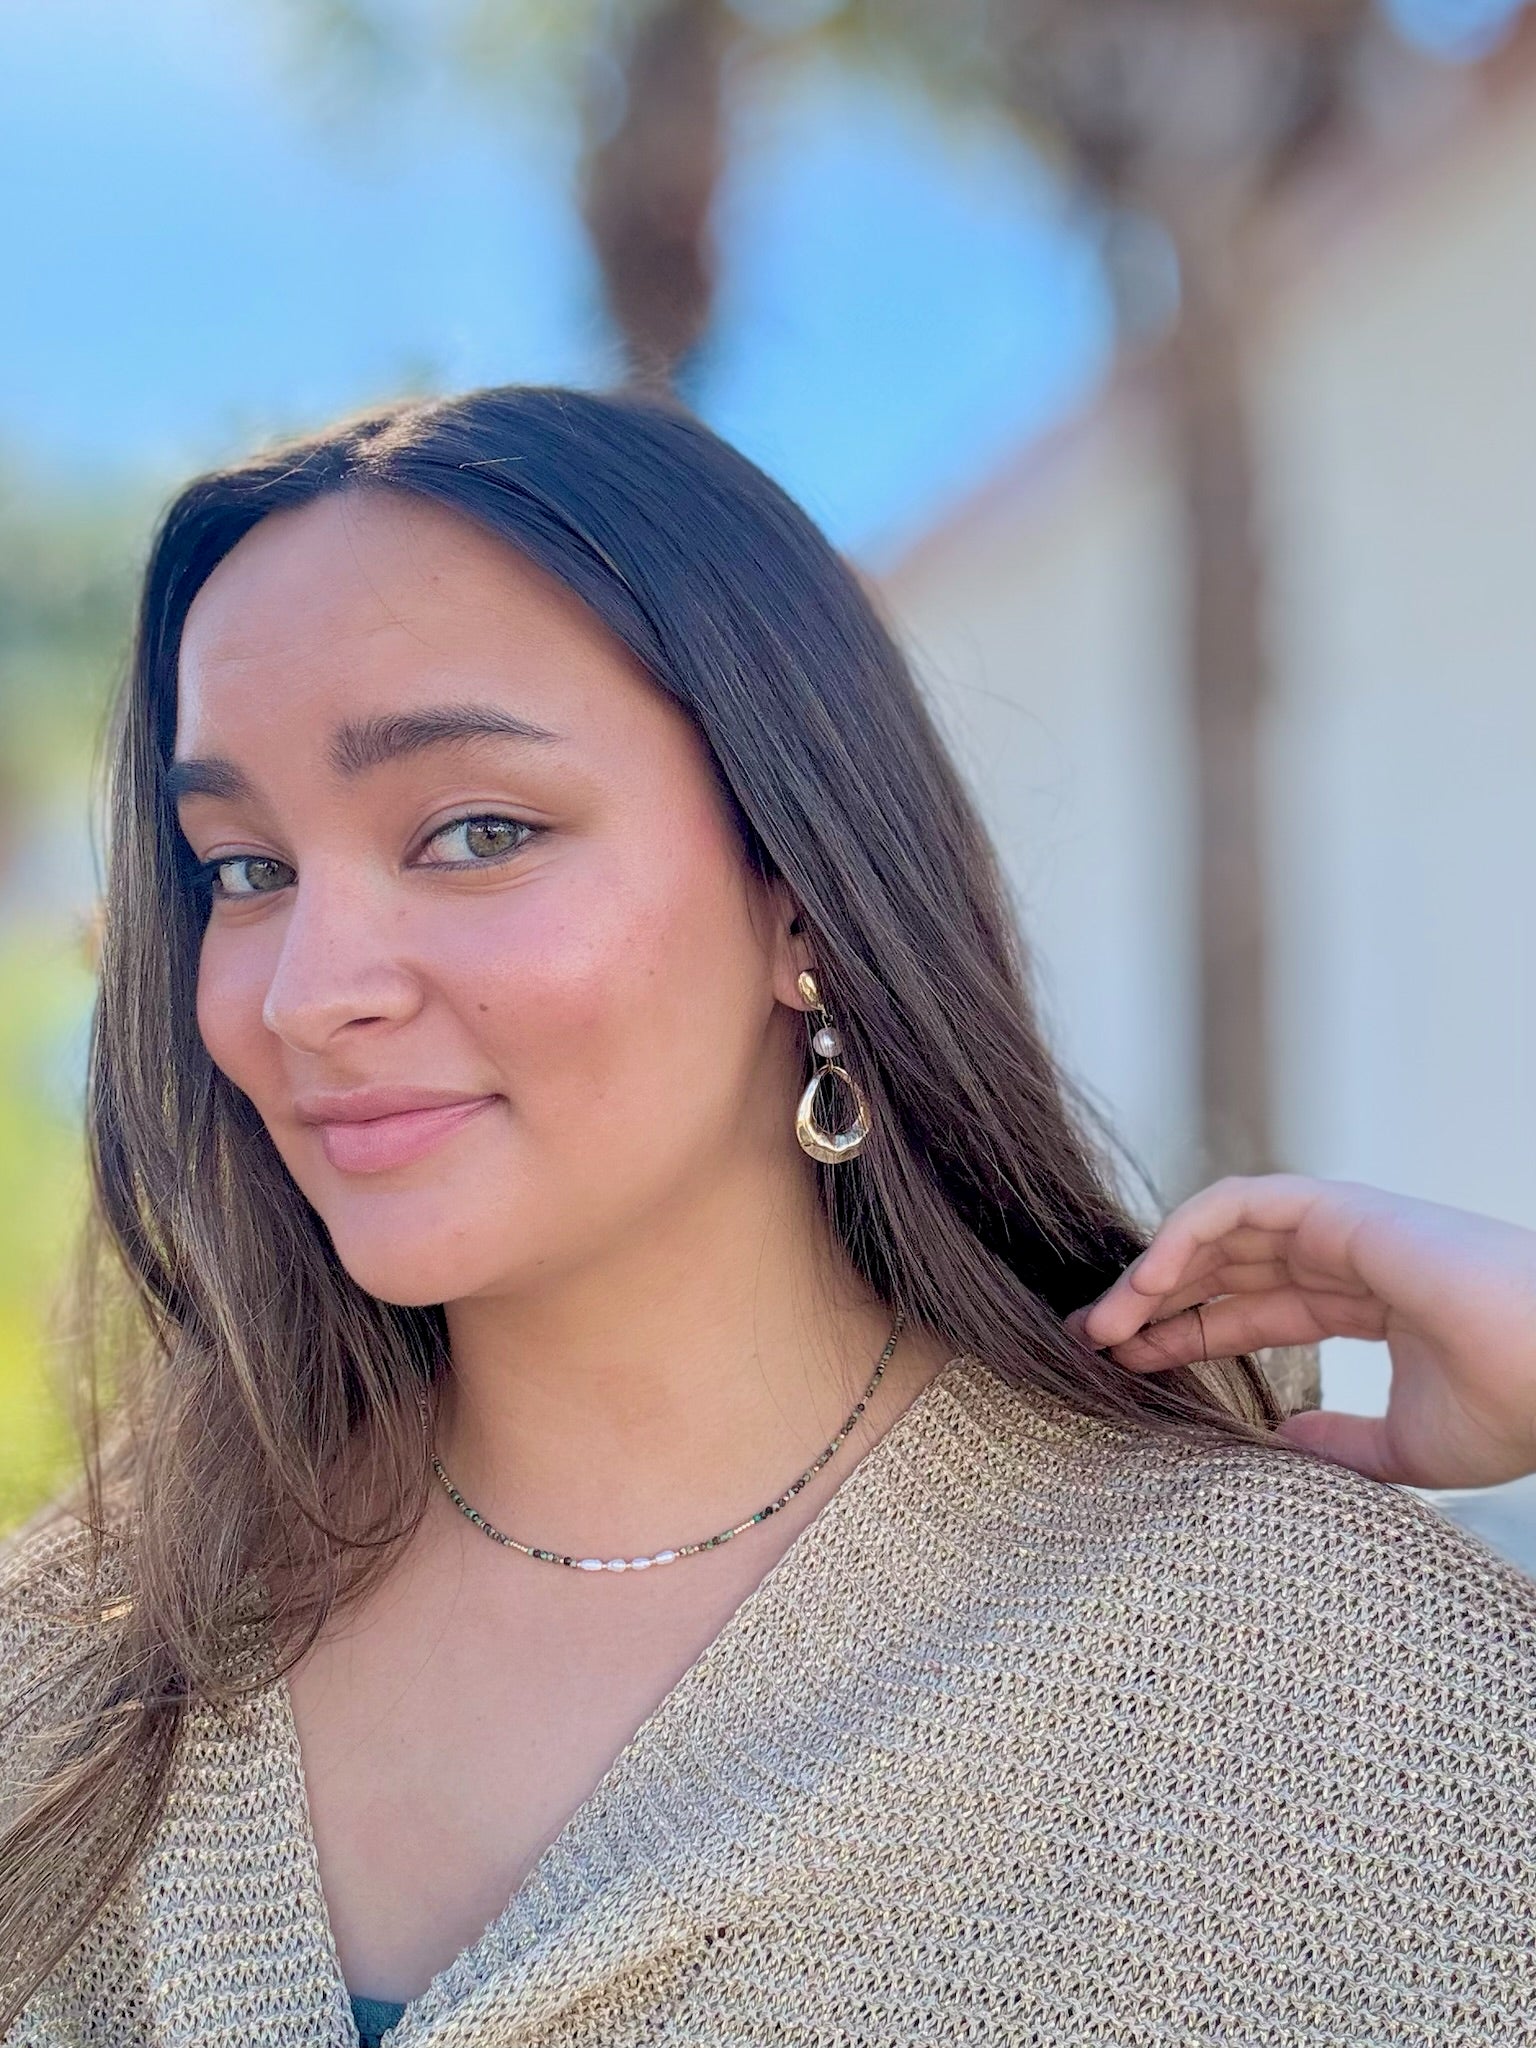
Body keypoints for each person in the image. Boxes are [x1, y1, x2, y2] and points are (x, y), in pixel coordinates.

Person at [0, 385, 1532, 2048]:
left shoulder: (1312, 1678)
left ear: (796, 886)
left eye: (475, 832)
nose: (307, 993)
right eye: (242, 868)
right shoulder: (78, 1658)